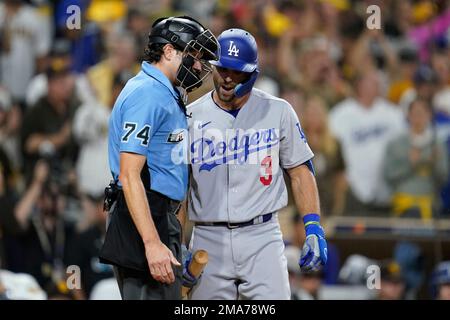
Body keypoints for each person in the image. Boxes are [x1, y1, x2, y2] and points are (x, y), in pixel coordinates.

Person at [186, 28, 327, 300]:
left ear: (252, 74)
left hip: (262, 235)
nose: (227, 77)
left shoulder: (278, 110)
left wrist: (312, 225)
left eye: (236, 71)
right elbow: (179, 188)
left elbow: (299, 170)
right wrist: (177, 245)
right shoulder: (191, 116)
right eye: (223, 68)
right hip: (207, 236)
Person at [98, 16, 218, 300]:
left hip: (158, 215)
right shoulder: (148, 94)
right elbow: (129, 174)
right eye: (194, 55)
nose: (199, 66)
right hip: (142, 214)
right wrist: (152, 243)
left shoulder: (166, 92)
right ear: (168, 51)